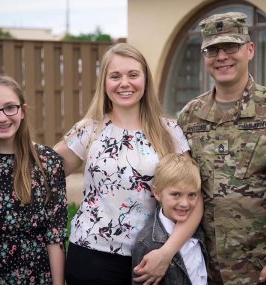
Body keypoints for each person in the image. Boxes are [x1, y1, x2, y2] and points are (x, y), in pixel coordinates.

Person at [54, 42, 203, 285]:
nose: (125, 83)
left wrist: (167, 253)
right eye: (115, 76)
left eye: (133, 74)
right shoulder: (89, 130)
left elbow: (195, 200)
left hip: (151, 258)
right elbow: (39, 173)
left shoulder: (169, 132)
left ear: (145, 80)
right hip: (91, 258)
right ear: (105, 82)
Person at [177, 12, 266, 285]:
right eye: (212, 50)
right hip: (204, 269)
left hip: (264, 269)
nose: (222, 56)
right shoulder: (190, 116)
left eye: (231, 47)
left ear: (249, 50)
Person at [0, 75, 68, 284]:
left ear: (23, 111)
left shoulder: (47, 162)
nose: (2, 117)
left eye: (10, 107)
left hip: (36, 275)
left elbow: (55, 234)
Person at [132, 153, 208, 285]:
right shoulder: (147, 244)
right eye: (176, 194)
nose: (184, 203)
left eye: (192, 195)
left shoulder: (197, 227)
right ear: (157, 193)